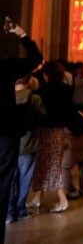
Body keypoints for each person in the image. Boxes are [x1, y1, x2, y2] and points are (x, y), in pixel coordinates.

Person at [0, 18, 42, 236]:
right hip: (5, 133)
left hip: (6, 132)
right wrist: (21, 33)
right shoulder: (5, 68)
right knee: (4, 179)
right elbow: (36, 58)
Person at [31, 61, 75, 213]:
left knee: (50, 163)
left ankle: (62, 199)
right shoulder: (67, 90)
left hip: (46, 130)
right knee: (50, 162)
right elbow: (70, 112)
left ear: (45, 75)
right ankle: (37, 197)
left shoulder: (42, 91)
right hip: (60, 130)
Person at [7, 75, 44, 224]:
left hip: (9, 145)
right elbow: (42, 117)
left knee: (9, 180)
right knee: (25, 179)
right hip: (28, 145)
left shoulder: (6, 98)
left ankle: (9, 213)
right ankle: (21, 210)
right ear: (27, 81)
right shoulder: (35, 99)